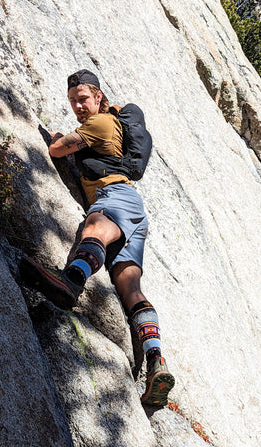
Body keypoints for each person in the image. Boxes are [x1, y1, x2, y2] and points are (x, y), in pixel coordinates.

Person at [19, 69, 175, 406]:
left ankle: (71, 281)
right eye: (73, 101)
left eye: (83, 99)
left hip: (115, 196)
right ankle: (156, 361)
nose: (78, 106)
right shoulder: (108, 126)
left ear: (99, 97)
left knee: (95, 228)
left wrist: (58, 138)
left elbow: (59, 149)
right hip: (135, 212)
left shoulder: (102, 123)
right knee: (131, 289)